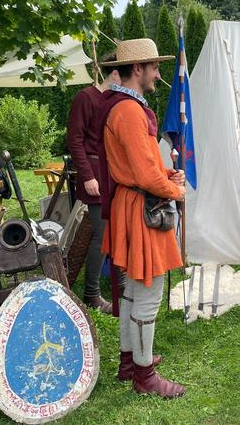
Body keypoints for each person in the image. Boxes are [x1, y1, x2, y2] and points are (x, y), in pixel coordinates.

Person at [99, 38, 186, 399]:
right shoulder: (130, 112)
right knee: (147, 292)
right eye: (154, 67)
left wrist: (167, 174)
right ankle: (145, 375)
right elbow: (145, 176)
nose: (158, 74)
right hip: (141, 208)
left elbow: (147, 167)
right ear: (138, 69)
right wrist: (175, 191)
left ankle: (129, 362)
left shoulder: (126, 108)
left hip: (132, 203)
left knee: (133, 293)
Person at [66, 60, 126, 314]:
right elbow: (75, 140)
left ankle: (121, 285)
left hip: (113, 176)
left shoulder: (116, 103)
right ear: (114, 74)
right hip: (94, 175)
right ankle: (92, 293)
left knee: (118, 231)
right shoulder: (86, 98)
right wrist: (87, 175)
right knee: (102, 235)